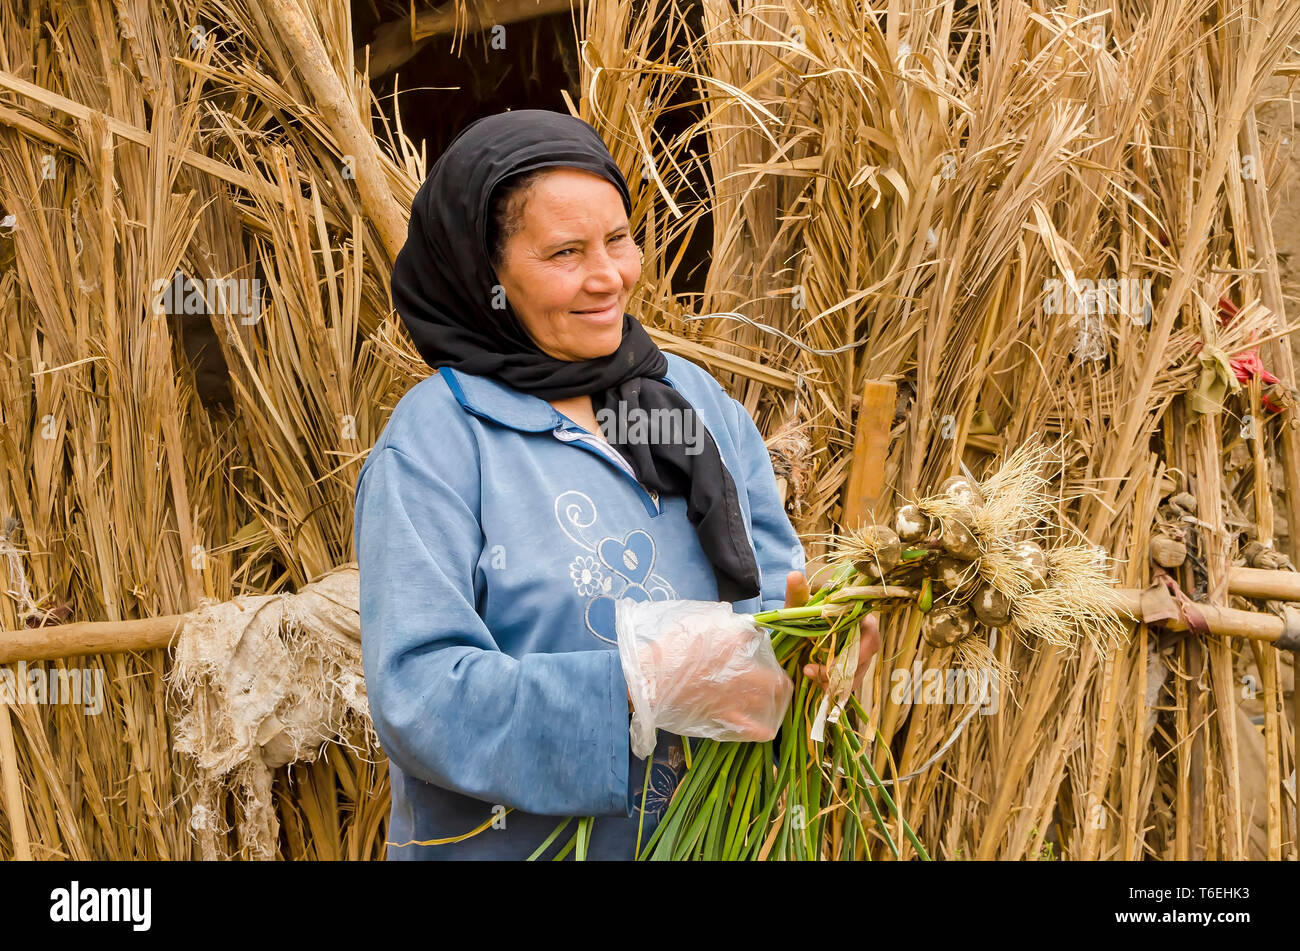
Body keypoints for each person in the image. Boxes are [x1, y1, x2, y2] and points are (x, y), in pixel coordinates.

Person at [354, 109, 879, 860]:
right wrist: (636, 682)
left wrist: (816, 644)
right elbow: (422, 696)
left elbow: (770, 603)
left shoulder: (691, 404)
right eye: (565, 252)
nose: (609, 277)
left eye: (619, 239)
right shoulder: (439, 440)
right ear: (487, 276)